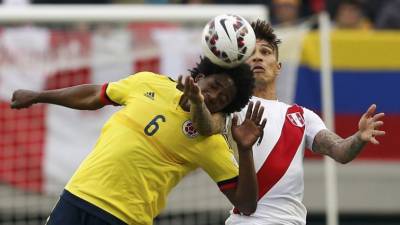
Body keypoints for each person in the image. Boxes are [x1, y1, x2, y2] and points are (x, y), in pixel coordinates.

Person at [10, 57, 267, 225]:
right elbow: (93, 95)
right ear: (199, 78)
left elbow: (245, 204)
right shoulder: (148, 83)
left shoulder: (210, 142)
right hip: (77, 195)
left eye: (222, 98)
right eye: (215, 86)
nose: (214, 96)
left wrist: (245, 151)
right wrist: (38, 96)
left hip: (123, 219)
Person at [184, 20, 386, 225]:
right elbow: (206, 127)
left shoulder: (302, 115)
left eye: (266, 52)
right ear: (241, 66)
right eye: (251, 53)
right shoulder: (232, 107)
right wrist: (198, 104)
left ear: (278, 67)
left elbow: (340, 151)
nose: (258, 57)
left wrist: (359, 137)